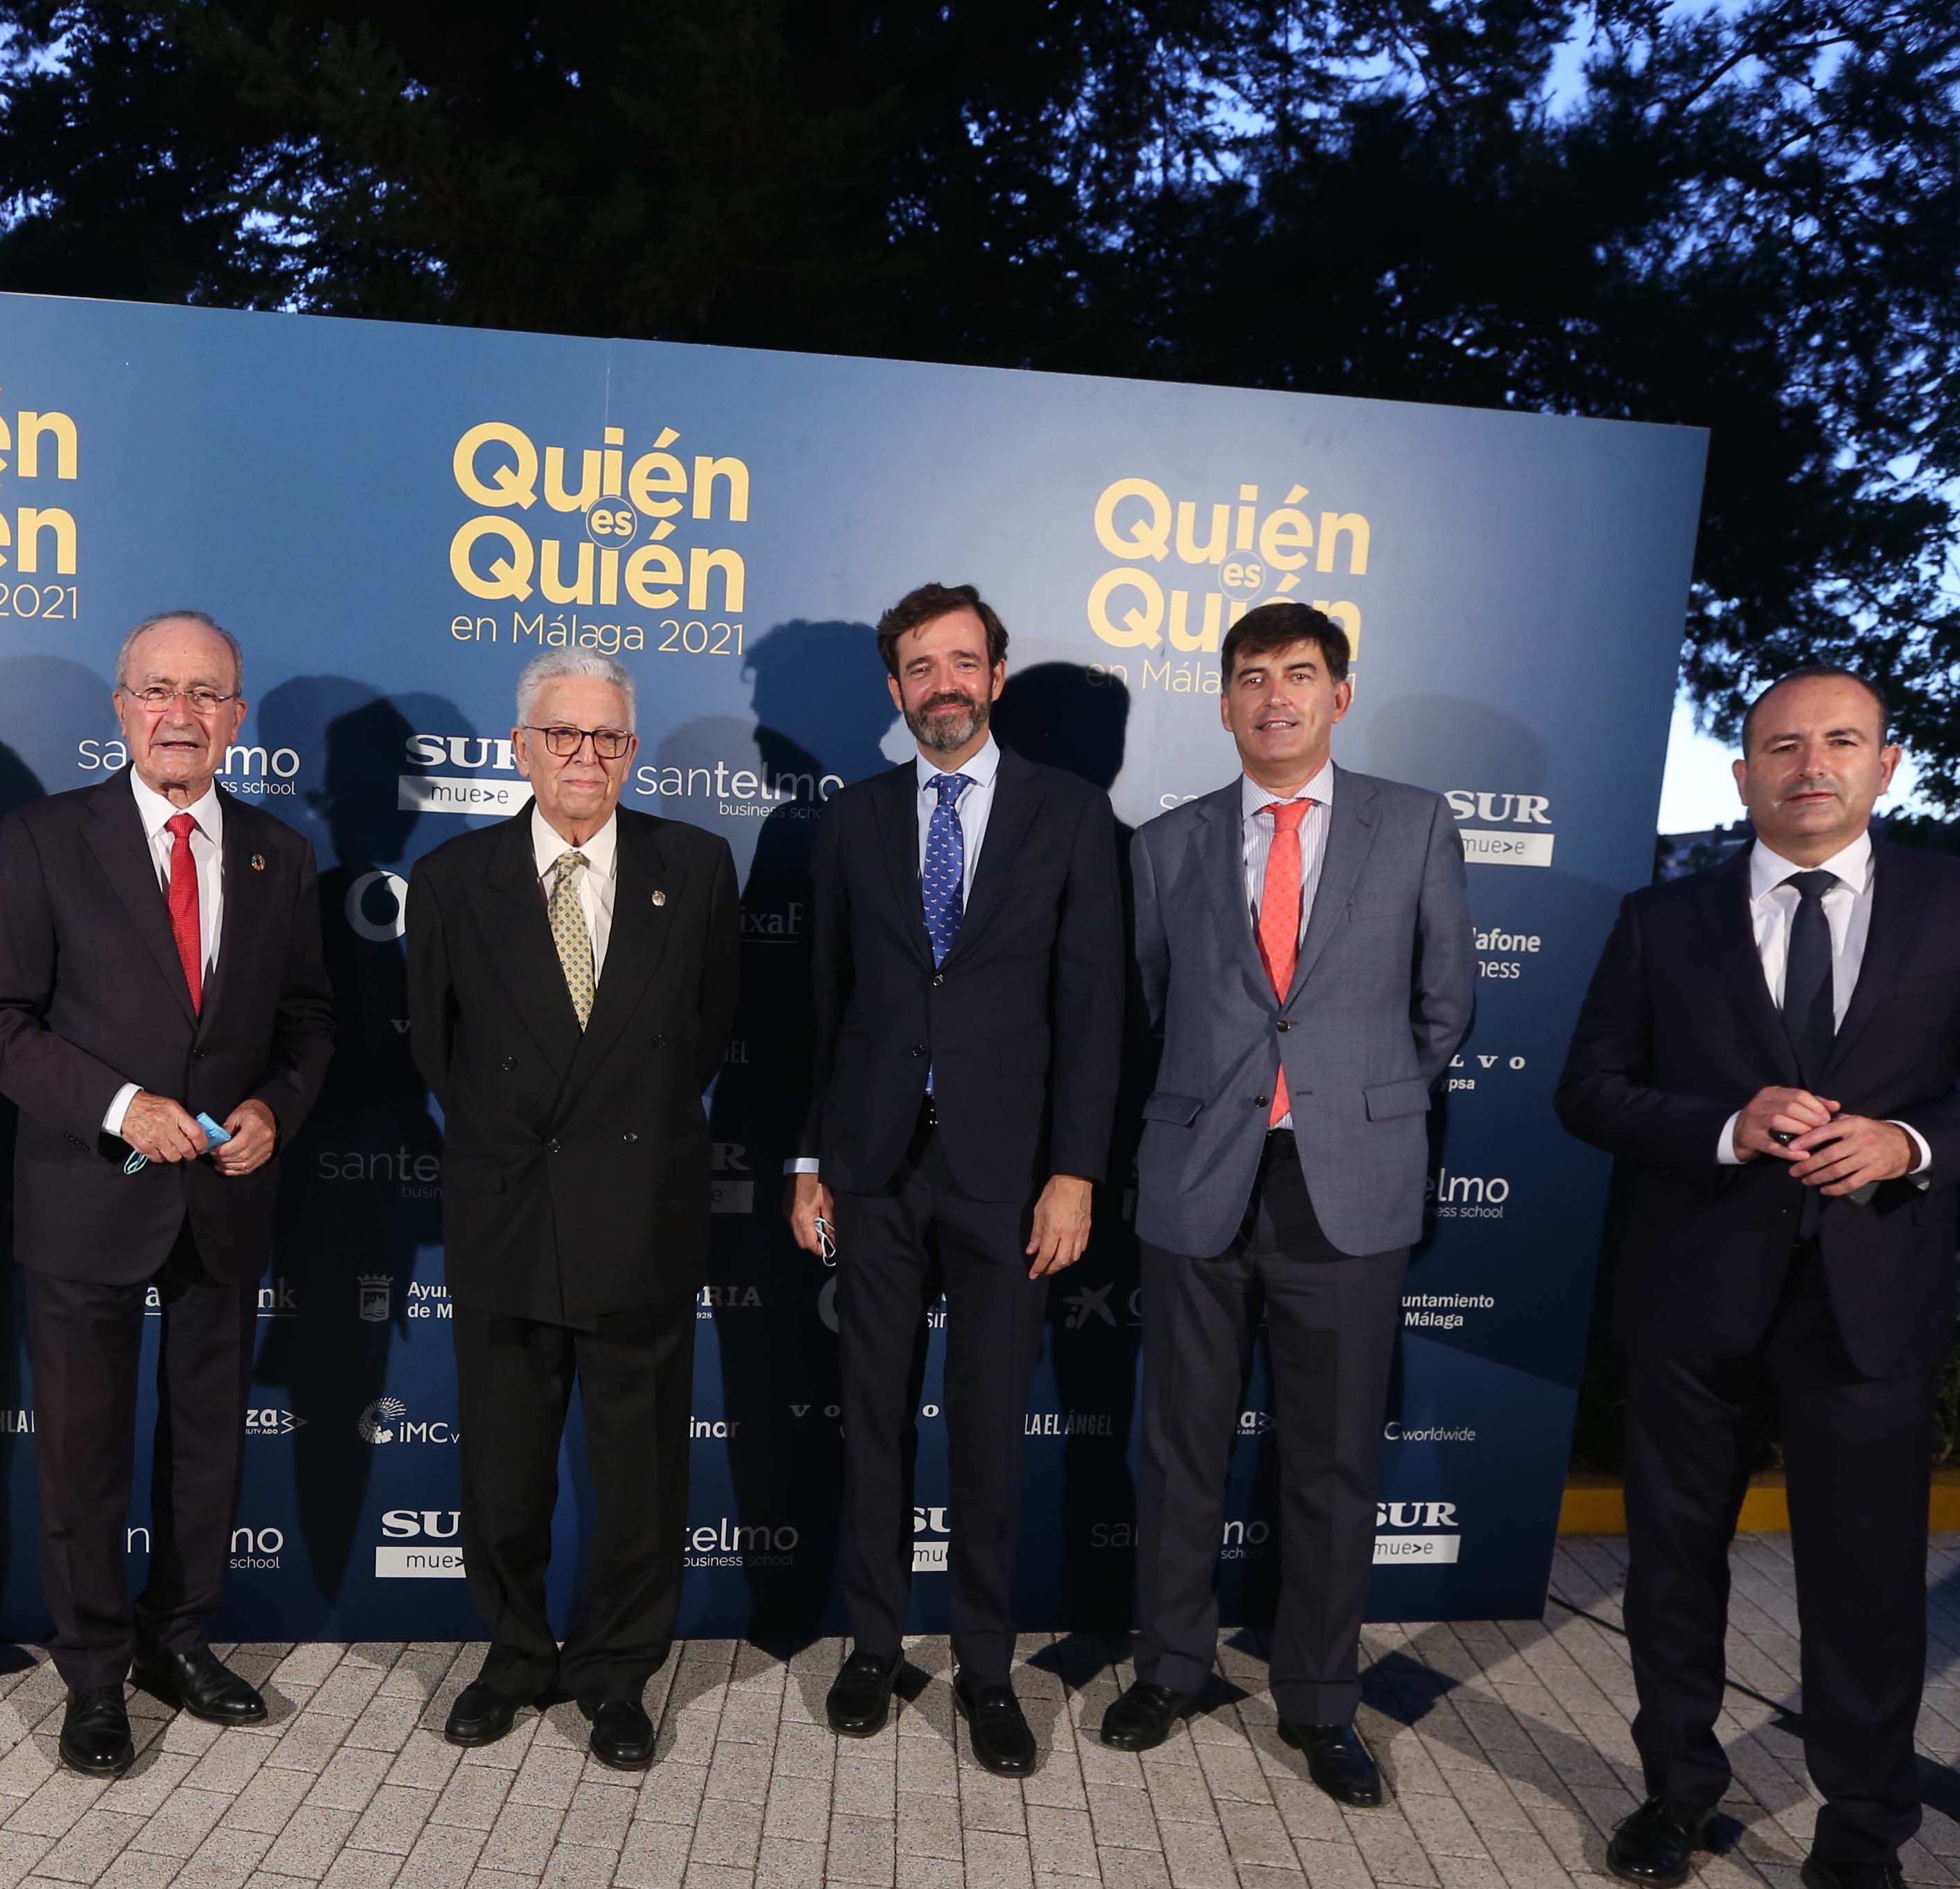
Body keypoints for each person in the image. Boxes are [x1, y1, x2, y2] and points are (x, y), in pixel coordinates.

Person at [1556, 668, 1960, 1889]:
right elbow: (1591, 1093)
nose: (1811, 764)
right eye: (1783, 745)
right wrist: (1724, 1127)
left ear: (1886, 765)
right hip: (1696, 1295)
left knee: (1871, 1589)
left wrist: (1909, 1141)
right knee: (1673, 1564)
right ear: (1743, 775)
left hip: (1872, 1300)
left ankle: (1864, 1843)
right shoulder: (1662, 920)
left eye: (1841, 742)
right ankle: (1679, 1791)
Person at [0, 611, 334, 1777]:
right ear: (121, 710)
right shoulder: (44, 839)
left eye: (207, 695)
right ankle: (93, 1675)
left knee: (208, 1444)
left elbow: (310, 1021)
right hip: (85, 1193)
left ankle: (180, 1642)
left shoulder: (280, 853)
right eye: (159, 691)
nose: (182, 715)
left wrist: (276, 1106)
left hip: (222, 1200)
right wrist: (121, 1108)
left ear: (237, 718)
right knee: (82, 1453)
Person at [1117, 601, 1472, 1803]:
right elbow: (1148, 1010)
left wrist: (1349, 1104)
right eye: (1252, 677)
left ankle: (1323, 1704)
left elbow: (1445, 1007)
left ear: (1340, 695)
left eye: (1300, 676)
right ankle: (1168, 1666)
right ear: (1223, 701)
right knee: (1180, 1449)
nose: (1276, 697)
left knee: (1331, 1461)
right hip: (1198, 1180)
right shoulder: (1165, 847)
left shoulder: (1414, 826)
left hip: (1348, 1187)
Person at [791, 584, 1123, 1775]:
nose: (943, 683)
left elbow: (1094, 1019)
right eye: (920, 666)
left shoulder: (1074, 817)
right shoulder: (853, 819)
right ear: (896, 689)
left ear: (996, 674)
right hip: (875, 1172)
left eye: (963, 662)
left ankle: (987, 1668)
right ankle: (874, 1645)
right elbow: (822, 1005)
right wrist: (809, 1161)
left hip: (1009, 1179)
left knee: (988, 1434)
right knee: (871, 1423)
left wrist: (1075, 1175)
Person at [407, 651, 740, 1771]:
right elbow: (438, 1051)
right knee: (503, 1466)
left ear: (631, 754)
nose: (587, 757)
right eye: (564, 736)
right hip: (506, 1209)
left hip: (641, 1213)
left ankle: (616, 1672)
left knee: (640, 1469)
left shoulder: (693, 868)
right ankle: (512, 1657)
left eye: (608, 739)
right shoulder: (454, 879)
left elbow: (703, 1037)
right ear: (522, 748)